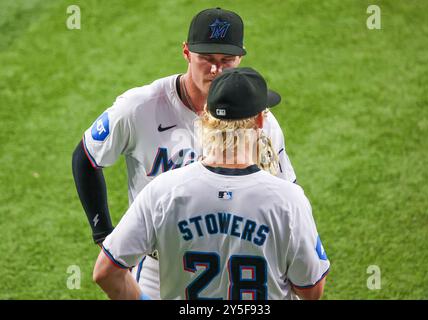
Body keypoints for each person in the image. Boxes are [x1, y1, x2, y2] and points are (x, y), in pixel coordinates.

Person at [72, 7, 297, 300]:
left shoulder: (258, 117)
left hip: (237, 261)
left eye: (226, 60)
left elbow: (285, 190)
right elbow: (86, 156)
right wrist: (103, 234)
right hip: (158, 267)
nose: (216, 70)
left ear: (240, 57)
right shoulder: (139, 107)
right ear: (186, 52)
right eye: (206, 59)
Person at [93, 67, 330, 300]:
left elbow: (106, 273)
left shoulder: (161, 192)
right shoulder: (289, 200)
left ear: (206, 116)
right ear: (259, 120)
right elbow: (311, 289)